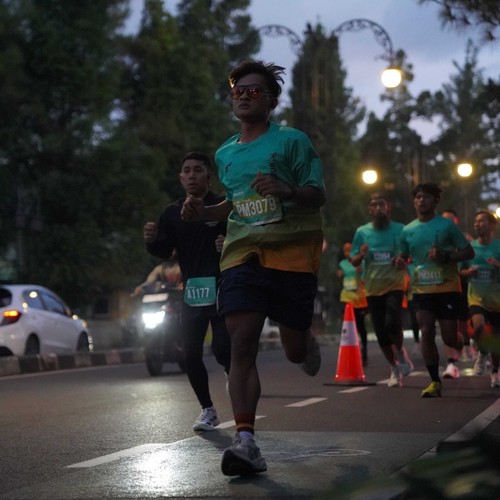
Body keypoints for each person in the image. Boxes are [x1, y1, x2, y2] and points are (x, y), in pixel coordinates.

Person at [181, 60, 325, 477]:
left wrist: (287, 190)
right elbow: (235, 203)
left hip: (293, 255)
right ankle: (246, 442)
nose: (244, 96)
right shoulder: (225, 153)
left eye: (254, 91)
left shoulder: (293, 141)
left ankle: (304, 338)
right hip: (242, 255)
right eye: (237, 91)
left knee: (296, 352)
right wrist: (203, 213)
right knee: (240, 342)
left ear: (272, 101)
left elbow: (317, 194)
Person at [143, 151, 231, 432]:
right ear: (180, 178)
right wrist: (151, 240)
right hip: (192, 291)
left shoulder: (222, 206)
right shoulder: (172, 212)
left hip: (223, 287)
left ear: (209, 176)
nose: (192, 175)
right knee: (190, 354)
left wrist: (227, 242)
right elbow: (164, 250)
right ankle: (207, 409)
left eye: (198, 170)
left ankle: (236, 377)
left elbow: (243, 237)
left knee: (222, 349)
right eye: (187, 171)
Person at [396, 183, 474, 398]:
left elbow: (469, 252)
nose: (421, 200)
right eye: (418, 197)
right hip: (421, 289)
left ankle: (460, 342)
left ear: (436, 200)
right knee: (427, 330)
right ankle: (434, 381)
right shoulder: (407, 230)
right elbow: (404, 255)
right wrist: (400, 261)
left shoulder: (447, 226)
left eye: (426, 197)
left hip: (447, 287)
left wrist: (446, 256)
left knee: (449, 338)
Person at [350, 192, 413, 388]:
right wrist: (361, 255)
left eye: (382, 204)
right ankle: (394, 368)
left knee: (392, 323)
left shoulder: (400, 229)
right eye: (374, 205)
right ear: (369, 209)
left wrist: (402, 261)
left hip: (395, 284)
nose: (378, 208)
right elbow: (353, 260)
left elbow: (409, 254)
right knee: (380, 332)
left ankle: (400, 352)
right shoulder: (362, 232)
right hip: (372, 288)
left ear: (388, 207)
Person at [459, 211, 500, 387]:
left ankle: (495, 372)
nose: (477, 224)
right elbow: (460, 270)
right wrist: (468, 272)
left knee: (497, 340)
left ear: (492, 225)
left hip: (497, 300)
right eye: (475, 221)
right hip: (476, 297)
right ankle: (482, 353)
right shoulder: (470, 248)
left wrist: (498, 265)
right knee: (479, 327)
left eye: (482, 221)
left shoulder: (498, 247)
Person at [441, 209, 475, 379]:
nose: (447, 223)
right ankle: (451, 363)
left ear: (456, 221)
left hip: (462, 285)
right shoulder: (436, 239)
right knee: (446, 323)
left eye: (450, 220)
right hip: (442, 286)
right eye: (444, 219)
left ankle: (467, 347)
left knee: (463, 322)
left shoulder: (464, 240)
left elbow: (473, 259)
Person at [337, 241, 369, 366]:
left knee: (360, 325)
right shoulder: (342, 264)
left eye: (349, 250)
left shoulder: (361, 263)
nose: (347, 253)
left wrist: (360, 270)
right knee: (348, 326)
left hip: (359, 299)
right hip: (346, 297)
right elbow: (341, 274)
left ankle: (364, 350)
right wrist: (340, 274)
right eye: (345, 250)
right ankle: (350, 352)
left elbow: (365, 276)